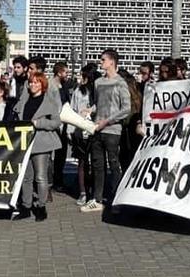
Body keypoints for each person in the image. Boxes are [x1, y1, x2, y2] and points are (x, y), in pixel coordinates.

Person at [81, 49, 131, 213]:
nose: (101, 62)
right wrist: (89, 110)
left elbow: (126, 108)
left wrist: (108, 121)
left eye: (103, 60)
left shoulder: (120, 83)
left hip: (112, 130)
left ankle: (116, 199)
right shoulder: (98, 82)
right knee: (97, 164)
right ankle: (97, 199)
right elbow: (97, 103)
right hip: (97, 128)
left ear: (112, 62)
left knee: (114, 164)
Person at [13, 72, 61, 221]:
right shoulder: (24, 99)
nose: (33, 85)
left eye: (36, 82)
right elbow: (16, 114)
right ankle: (26, 206)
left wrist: (39, 123)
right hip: (25, 141)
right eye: (31, 82)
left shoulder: (49, 100)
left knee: (40, 176)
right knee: (26, 177)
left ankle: (41, 206)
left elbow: (56, 122)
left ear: (42, 84)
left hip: (42, 142)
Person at [70, 63, 99, 206]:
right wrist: (70, 130)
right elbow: (72, 109)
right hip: (80, 129)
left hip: (95, 128)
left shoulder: (98, 91)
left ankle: (94, 191)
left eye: (84, 76)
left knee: (95, 161)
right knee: (82, 161)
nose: (82, 78)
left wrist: (91, 111)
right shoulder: (78, 91)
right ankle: (83, 192)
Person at [50, 62, 72, 193]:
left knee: (61, 153)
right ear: (59, 72)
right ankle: (52, 181)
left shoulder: (63, 85)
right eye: (65, 72)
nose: (67, 75)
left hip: (63, 123)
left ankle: (58, 179)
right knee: (51, 154)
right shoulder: (51, 85)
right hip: (54, 122)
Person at [118, 69, 143, 173]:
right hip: (135, 127)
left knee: (125, 157)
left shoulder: (124, 90)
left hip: (126, 128)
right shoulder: (136, 89)